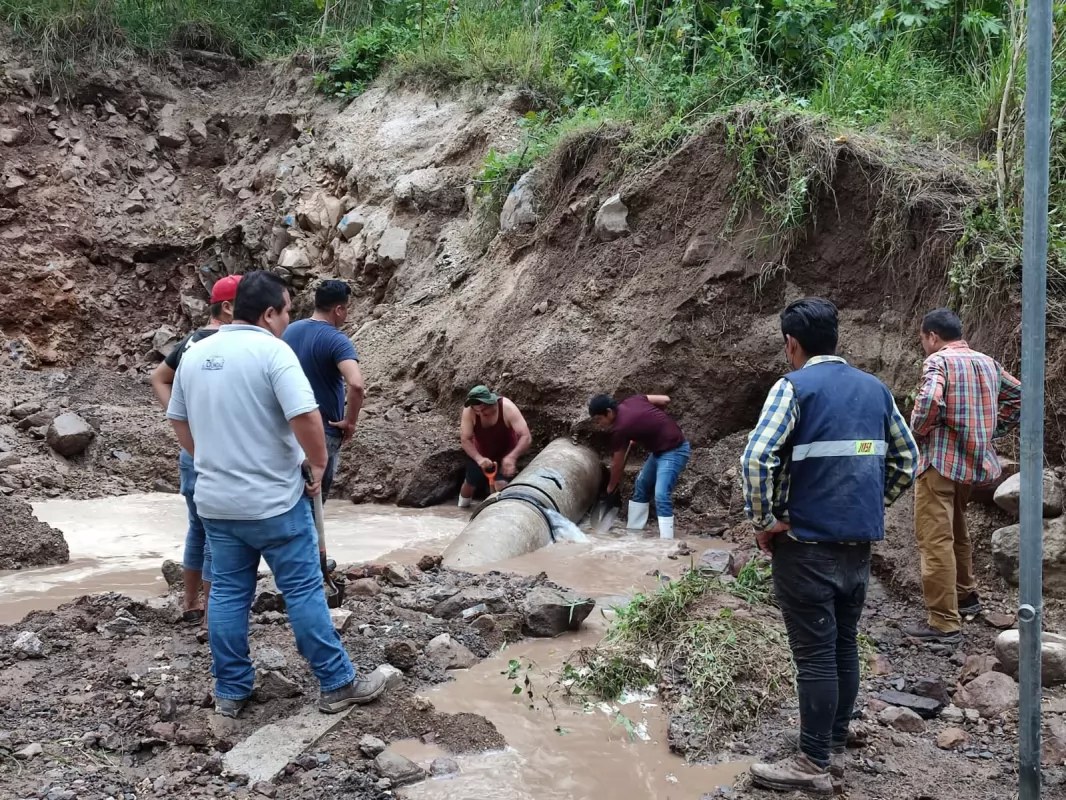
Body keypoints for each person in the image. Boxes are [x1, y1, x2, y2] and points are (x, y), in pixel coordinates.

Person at [166, 270, 386, 718]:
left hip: (217, 501)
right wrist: (319, 463)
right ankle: (337, 681)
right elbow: (306, 416)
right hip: (274, 503)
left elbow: (178, 419)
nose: (288, 319)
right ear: (268, 313)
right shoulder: (273, 352)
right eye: (286, 311)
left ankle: (231, 690)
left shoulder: (196, 353)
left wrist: (208, 456)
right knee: (303, 588)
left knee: (228, 592)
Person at [741, 298, 917, 795]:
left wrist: (766, 520)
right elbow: (908, 458)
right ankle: (834, 738)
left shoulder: (793, 387)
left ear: (791, 344)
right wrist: (871, 504)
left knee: (816, 653)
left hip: (806, 545)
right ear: (836, 339)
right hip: (857, 545)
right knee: (842, 641)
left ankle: (812, 762)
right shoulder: (876, 389)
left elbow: (756, 459)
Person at [905, 308, 1021, 644]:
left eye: (923, 340)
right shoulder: (988, 363)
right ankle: (966, 597)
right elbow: (1020, 396)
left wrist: (919, 431)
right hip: (970, 465)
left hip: (938, 463)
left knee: (934, 540)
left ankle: (943, 622)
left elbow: (928, 399)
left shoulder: (938, 362)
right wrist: (991, 429)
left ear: (932, 336)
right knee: (957, 531)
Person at [150, 273, 242, 625]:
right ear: (229, 306)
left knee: (197, 528)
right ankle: (211, 615)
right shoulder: (227, 344)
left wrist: (181, 421)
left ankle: (191, 603)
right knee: (217, 534)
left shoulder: (191, 341)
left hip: (191, 452)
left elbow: (158, 378)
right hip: (219, 453)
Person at [282, 279, 364, 502]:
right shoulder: (337, 340)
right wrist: (351, 421)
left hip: (287, 428)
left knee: (288, 498)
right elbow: (356, 384)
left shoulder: (288, 331)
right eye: (346, 309)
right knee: (314, 502)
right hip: (322, 431)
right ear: (338, 309)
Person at [588, 393, 690, 539]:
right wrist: (648, 423)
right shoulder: (632, 400)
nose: (599, 424)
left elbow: (617, 464)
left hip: (675, 450)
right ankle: (633, 534)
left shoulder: (619, 429)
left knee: (661, 494)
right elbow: (665, 399)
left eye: (599, 420)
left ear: (609, 412)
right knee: (641, 485)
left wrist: (611, 488)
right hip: (658, 452)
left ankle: (666, 543)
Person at [458, 385, 532, 507]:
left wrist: (511, 457)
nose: (481, 413)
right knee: (469, 484)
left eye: (484, 409)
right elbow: (465, 439)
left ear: (491, 402)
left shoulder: (507, 407)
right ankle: (461, 510)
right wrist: (479, 459)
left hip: (505, 454)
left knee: (501, 485)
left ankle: (502, 510)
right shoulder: (469, 411)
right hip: (480, 453)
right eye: (477, 411)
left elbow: (526, 436)